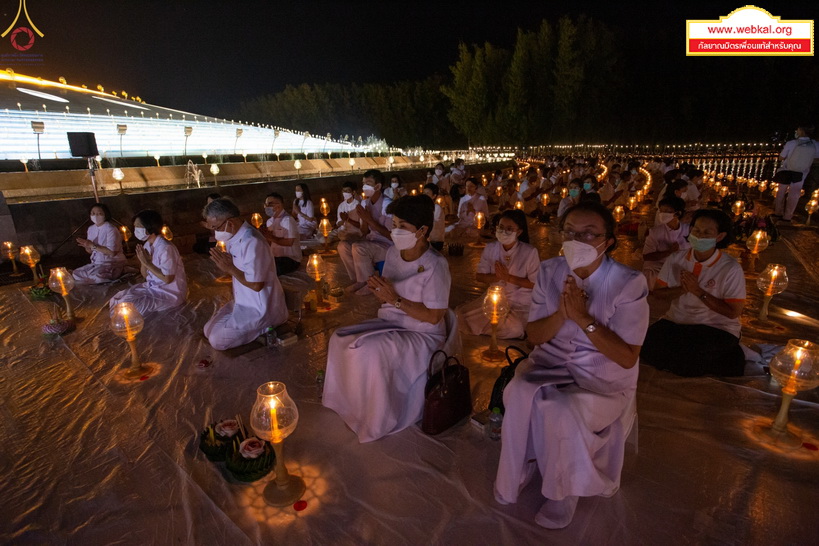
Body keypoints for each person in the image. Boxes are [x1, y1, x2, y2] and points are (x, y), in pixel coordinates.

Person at [494, 202, 649, 529]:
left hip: (602, 376)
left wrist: (582, 318)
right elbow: (534, 335)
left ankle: (563, 490)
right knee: (519, 389)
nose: (578, 240)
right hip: (549, 362)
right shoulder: (551, 271)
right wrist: (561, 314)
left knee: (562, 408)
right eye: (570, 232)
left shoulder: (628, 282)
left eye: (589, 234)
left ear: (608, 240)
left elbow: (626, 356)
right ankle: (525, 461)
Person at [323, 195, 451, 443]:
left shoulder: (436, 264)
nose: (395, 230)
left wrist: (394, 299)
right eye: (394, 224)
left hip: (423, 333)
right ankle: (349, 403)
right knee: (339, 338)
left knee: (370, 349)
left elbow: (435, 316)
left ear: (423, 230)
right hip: (393, 321)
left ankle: (376, 417)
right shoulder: (393, 253)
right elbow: (388, 295)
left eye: (402, 226)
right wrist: (379, 289)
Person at [641, 209, 745, 376]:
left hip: (716, 327)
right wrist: (682, 289)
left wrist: (698, 292)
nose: (699, 235)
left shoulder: (730, 267)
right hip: (677, 321)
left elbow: (733, 312)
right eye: (696, 230)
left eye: (706, 232)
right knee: (646, 345)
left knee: (691, 360)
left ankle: (734, 353)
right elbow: (658, 295)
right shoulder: (676, 259)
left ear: (719, 236)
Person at [202, 198, 288, 350]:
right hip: (242, 302)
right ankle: (246, 327)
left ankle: (266, 326)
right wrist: (229, 265)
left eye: (216, 227)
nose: (215, 232)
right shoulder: (233, 238)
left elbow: (257, 285)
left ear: (231, 222)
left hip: (260, 307)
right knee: (207, 330)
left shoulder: (252, 241)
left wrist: (229, 268)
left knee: (216, 341)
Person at [455, 210, 539, 339]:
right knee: (460, 316)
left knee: (514, 329)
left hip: (519, 303)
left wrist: (508, 278)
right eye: (501, 227)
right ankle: (494, 329)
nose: (504, 231)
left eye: (509, 228)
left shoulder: (529, 252)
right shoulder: (491, 248)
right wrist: (497, 277)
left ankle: (498, 330)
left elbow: (534, 283)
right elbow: (479, 276)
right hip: (495, 300)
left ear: (519, 232)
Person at [109, 210, 187, 315]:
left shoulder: (166, 248)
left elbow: (168, 279)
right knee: (118, 299)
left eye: (138, 226)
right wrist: (143, 262)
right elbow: (145, 275)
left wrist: (147, 263)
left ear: (149, 226)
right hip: (152, 287)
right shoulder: (147, 245)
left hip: (168, 292)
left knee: (128, 308)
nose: (135, 229)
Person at [337, 169, 393, 294]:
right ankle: (358, 279)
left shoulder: (387, 204)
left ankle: (368, 283)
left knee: (359, 247)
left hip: (387, 245)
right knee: (343, 246)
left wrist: (370, 220)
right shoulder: (365, 202)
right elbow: (364, 231)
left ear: (378, 186)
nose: (364, 186)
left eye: (368, 183)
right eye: (363, 183)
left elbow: (391, 236)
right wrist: (361, 220)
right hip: (371, 241)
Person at [642, 196, 690, 289]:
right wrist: (669, 251)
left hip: (680, 266)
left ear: (678, 213)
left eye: (667, 211)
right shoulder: (655, 232)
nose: (662, 214)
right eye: (661, 211)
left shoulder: (688, 230)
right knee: (651, 275)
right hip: (658, 266)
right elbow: (646, 256)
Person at [73, 202, 126, 284]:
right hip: (97, 263)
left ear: (105, 214)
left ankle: (121, 271)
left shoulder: (111, 229)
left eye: (99, 213)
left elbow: (112, 253)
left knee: (97, 277)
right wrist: (86, 246)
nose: (96, 216)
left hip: (111, 262)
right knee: (75, 273)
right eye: (93, 213)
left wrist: (92, 245)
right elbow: (90, 251)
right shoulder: (91, 229)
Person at [774, 124, 819, 221]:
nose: (796, 132)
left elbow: (781, 157)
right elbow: (816, 158)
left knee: (781, 191)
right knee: (794, 195)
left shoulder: (792, 143)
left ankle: (778, 212)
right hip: (801, 173)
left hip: (787, 170)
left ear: (802, 131)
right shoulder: (815, 144)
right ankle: (788, 216)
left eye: (798, 130)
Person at [264, 192, 301, 276]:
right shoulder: (269, 221)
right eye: (265, 204)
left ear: (279, 205)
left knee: (272, 270)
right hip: (276, 257)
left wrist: (271, 238)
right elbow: (269, 242)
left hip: (290, 259)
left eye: (269, 204)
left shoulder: (288, 220)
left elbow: (289, 242)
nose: (266, 207)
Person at [423, 183, 445, 251]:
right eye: (424, 193)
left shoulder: (437, 208)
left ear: (434, 196)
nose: (425, 196)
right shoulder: (423, 207)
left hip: (435, 242)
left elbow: (433, 225)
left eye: (427, 193)